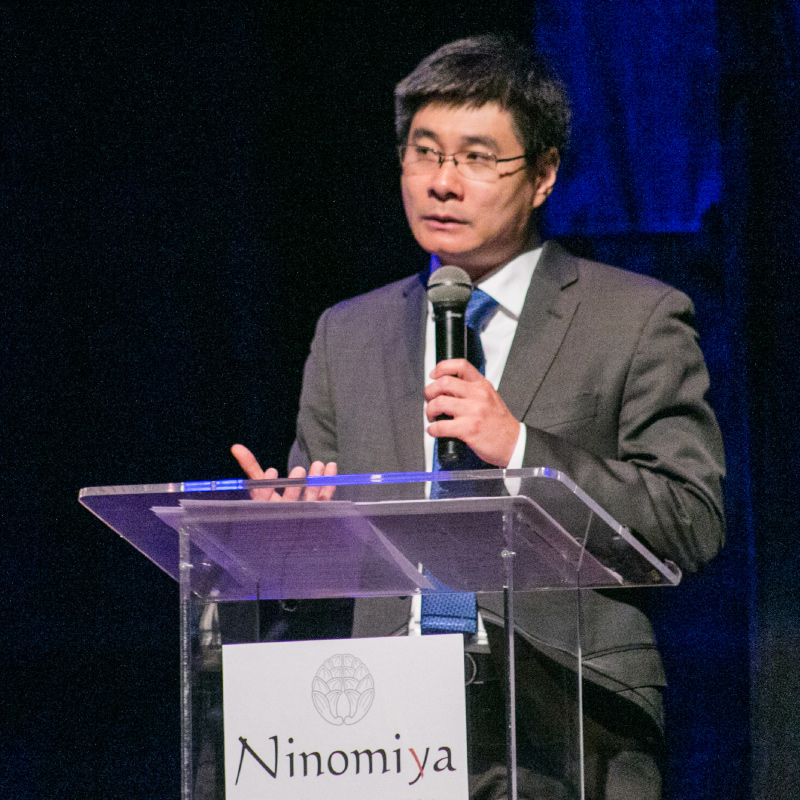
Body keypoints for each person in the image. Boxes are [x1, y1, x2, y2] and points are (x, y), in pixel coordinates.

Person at [232, 34, 725, 800]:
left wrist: (520, 446)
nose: (443, 182)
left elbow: (691, 520)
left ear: (543, 175)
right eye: (425, 153)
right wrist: (288, 539)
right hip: (379, 731)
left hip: (569, 721)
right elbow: (326, 561)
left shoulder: (636, 319)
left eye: (476, 158)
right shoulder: (347, 333)